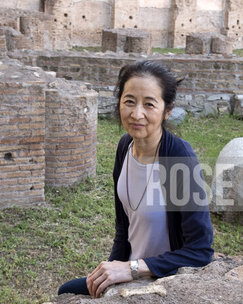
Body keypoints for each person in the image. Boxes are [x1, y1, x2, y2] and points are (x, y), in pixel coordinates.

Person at [58, 60, 214, 298]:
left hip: (163, 277)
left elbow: (200, 251)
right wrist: (110, 272)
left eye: (149, 104)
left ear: (167, 110)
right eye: (129, 101)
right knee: (66, 291)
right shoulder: (125, 146)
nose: (136, 113)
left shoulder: (179, 159)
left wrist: (131, 269)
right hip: (131, 269)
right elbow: (124, 228)